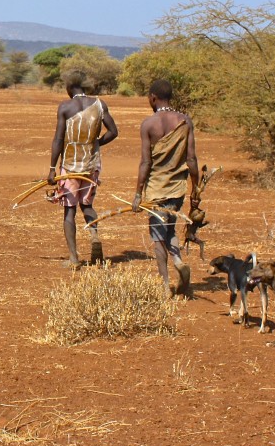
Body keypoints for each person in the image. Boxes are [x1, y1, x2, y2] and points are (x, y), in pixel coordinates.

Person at [133, 79, 199, 297]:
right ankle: (179, 261)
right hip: (177, 188)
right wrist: (195, 189)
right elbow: (191, 159)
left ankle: (164, 285)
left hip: (155, 190)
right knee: (170, 228)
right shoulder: (185, 121)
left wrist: (137, 194)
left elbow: (145, 163)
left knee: (157, 236)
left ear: (153, 97)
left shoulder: (149, 124)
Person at [47, 70, 118, 267]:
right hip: (91, 165)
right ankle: (94, 234)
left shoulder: (65, 107)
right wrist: (95, 144)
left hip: (70, 166)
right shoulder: (99, 104)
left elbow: (59, 140)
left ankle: (73, 259)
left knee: (69, 211)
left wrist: (53, 169)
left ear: (69, 88)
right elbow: (113, 132)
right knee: (87, 205)